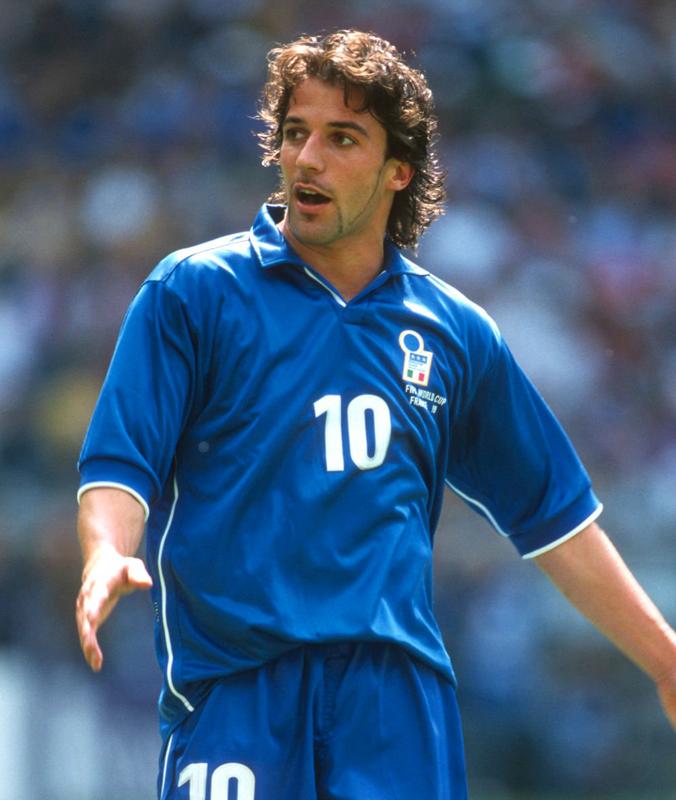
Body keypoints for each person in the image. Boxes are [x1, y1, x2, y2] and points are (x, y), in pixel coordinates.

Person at [76, 29, 676, 800]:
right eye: (295, 133)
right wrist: (105, 552)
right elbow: (122, 462)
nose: (307, 158)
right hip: (237, 693)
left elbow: (554, 519)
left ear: (399, 170)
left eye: (342, 138)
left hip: (395, 709)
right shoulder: (193, 292)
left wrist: (664, 658)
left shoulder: (453, 333)